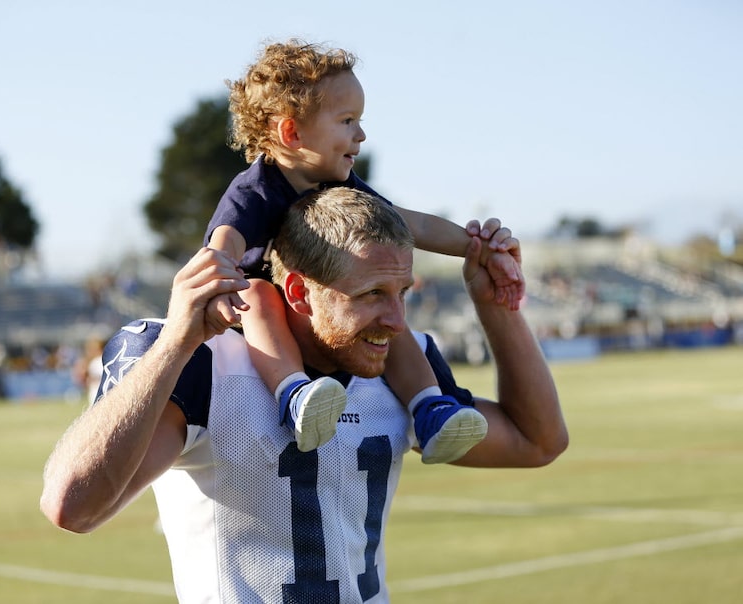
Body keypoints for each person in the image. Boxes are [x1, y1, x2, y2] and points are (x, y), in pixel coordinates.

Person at [41, 187, 568, 604]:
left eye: (402, 292)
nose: (396, 321)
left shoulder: (399, 365)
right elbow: (73, 506)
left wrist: (497, 305)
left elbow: (536, 441)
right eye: (371, 295)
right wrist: (176, 344)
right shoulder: (204, 362)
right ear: (298, 291)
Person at [205, 39, 525, 463]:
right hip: (263, 315)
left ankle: (430, 408)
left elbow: (416, 225)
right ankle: (295, 395)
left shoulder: (346, 189)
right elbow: (224, 243)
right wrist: (218, 277)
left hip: (326, 315)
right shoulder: (254, 190)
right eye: (347, 120)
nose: (361, 134)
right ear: (291, 132)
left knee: (391, 320)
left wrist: (478, 247)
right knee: (259, 295)